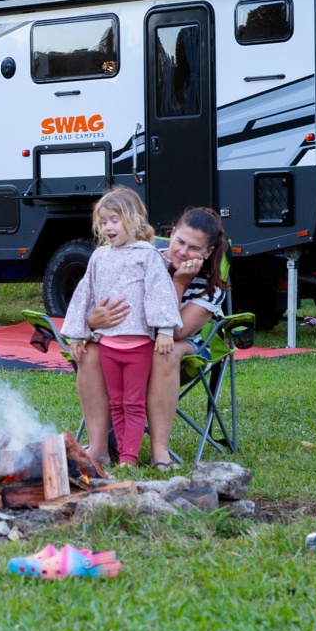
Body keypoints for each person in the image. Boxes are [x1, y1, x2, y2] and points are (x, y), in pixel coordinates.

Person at [77, 206, 229, 469]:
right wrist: (92, 321)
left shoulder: (210, 288)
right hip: (130, 342)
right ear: (171, 234)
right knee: (89, 352)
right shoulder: (142, 258)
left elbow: (176, 331)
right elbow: (105, 301)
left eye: (194, 248)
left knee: (165, 350)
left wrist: (179, 284)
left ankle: (160, 451)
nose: (183, 251)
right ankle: (99, 448)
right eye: (180, 241)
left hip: (183, 348)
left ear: (208, 252)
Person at [62, 188, 182, 468]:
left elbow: (159, 292)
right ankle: (110, 451)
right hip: (108, 344)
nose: (108, 227)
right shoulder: (99, 257)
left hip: (138, 345)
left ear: (134, 218)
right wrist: (78, 333)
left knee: (133, 402)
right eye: (103, 222)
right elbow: (85, 295)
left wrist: (164, 330)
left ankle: (129, 457)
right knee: (117, 402)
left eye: (114, 220)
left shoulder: (148, 255)